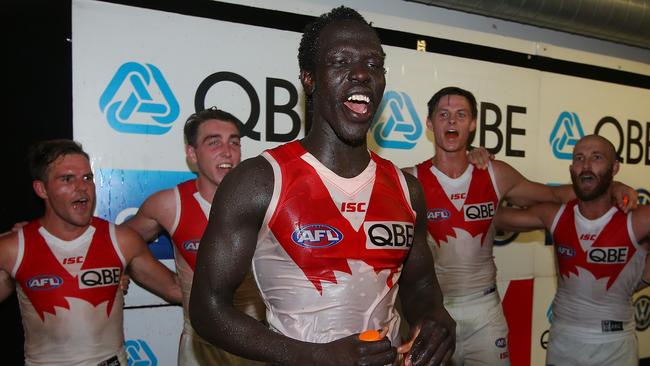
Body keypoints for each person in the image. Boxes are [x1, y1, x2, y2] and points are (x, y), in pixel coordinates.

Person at [189, 6, 455, 366]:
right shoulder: (259, 181)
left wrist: (435, 320)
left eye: (374, 64)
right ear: (309, 79)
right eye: (341, 62)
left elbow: (421, 288)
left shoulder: (408, 190)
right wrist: (315, 357)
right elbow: (207, 308)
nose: (361, 73)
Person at [403, 87, 636, 365]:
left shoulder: (494, 172)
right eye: (443, 115)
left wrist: (611, 186)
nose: (452, 121)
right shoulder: (410, 181)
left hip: (484, 312)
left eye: (461, 114)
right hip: (434, 309)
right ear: (430, 124)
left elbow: (552, 195)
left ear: (473, 124)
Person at [0, 139, 182, 366]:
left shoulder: (121, 240)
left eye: (87, 177)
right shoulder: (14, 247)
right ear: (42, 189)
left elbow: (175, 289)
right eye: (67, 179)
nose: (82, 186)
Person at [123, 107, 265, 365]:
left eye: (234, 142)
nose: (227, 150)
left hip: (256, 341)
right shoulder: (169, 205)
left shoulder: (264, 201)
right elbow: (116, 244)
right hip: (201, 347)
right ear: (192, 154)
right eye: (214, 142)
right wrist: (168, 286)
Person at [495, 134, 650, 366]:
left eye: (597, 157)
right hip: (564, 341)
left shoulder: (636, 218)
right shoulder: (555, 214)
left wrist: (641, 279)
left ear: (614, 167)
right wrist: (478, 171)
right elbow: (492, 216)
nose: (586, 165)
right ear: (571, 168)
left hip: (615, 345)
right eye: (579, 158)